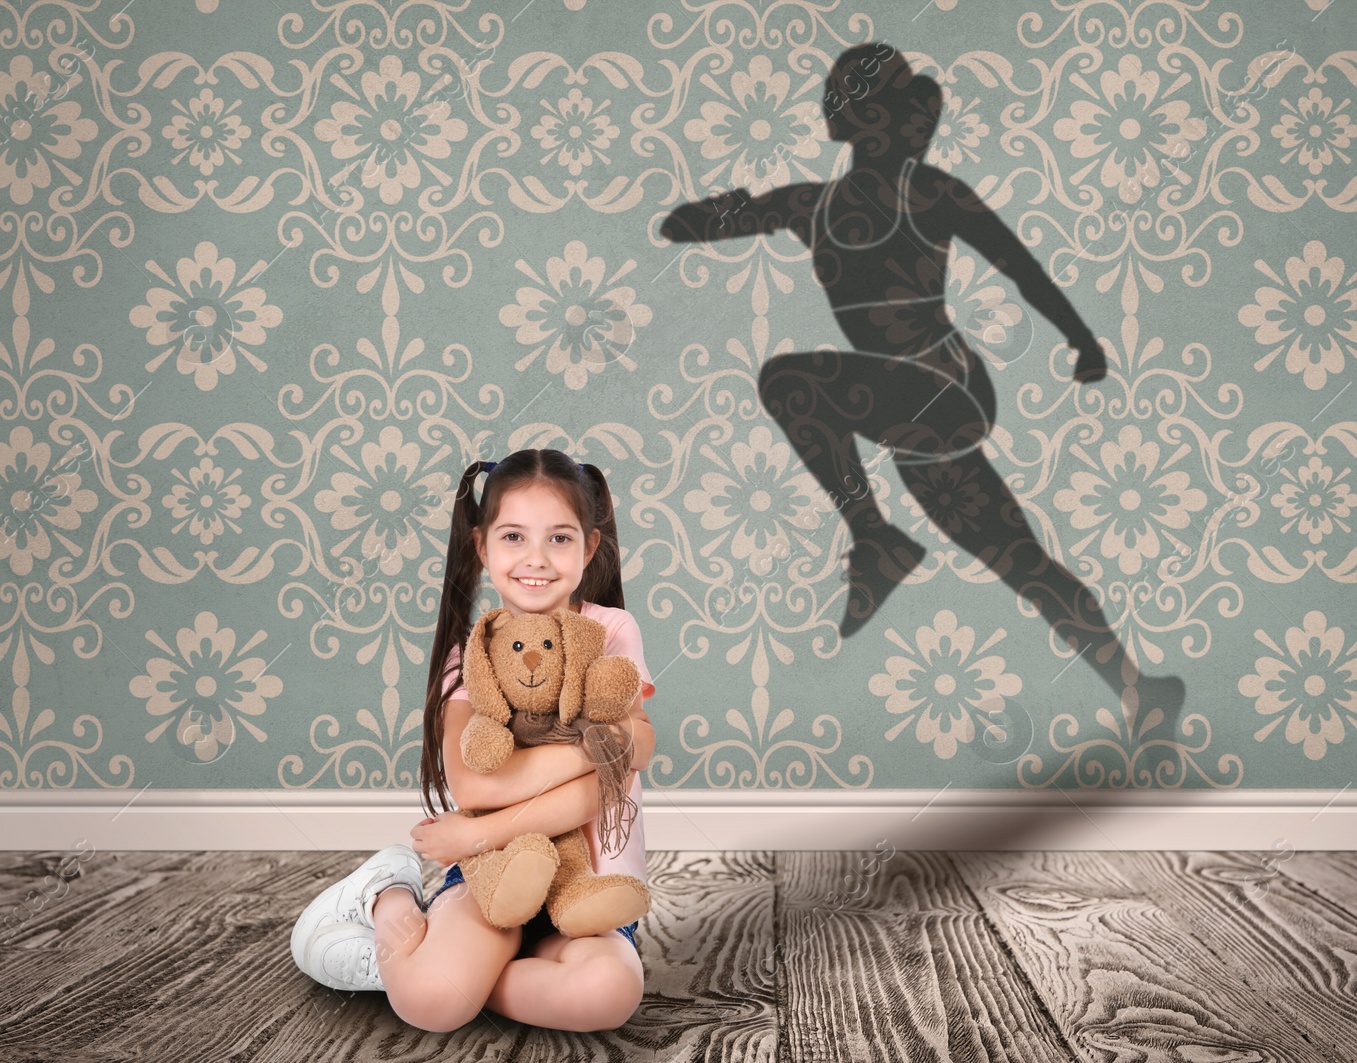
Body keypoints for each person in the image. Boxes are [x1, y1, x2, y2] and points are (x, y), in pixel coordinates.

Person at [661, 44, 1181, 727]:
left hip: (945, 387)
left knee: (787, 379)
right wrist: (723, 212)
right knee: (1020, 558)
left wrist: (1082, 340)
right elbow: (679, 227)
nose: (866, 121)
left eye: (872, 109)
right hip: (909, 421)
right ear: (846, 121)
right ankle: (1141, 689)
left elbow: (1022, 269)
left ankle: (875, 538)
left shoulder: (930, 192)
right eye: (851, 107)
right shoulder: (809, 205)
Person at [289, 450, 656, 1033]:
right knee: (431, 1005)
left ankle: (462, 968)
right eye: (514, 536)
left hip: (585, 887)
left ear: (589, 549)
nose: (536, 559)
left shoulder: (610, 631)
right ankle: (387, 895)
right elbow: (476, 781)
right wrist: (590, 751)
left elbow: (633, 753)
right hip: (493, 874)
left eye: (559, 539)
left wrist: (484, 825)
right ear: (483, 547)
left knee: (609, 993)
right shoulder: (470, 659)